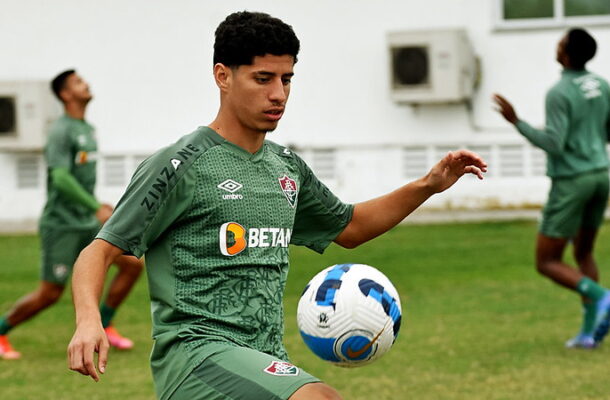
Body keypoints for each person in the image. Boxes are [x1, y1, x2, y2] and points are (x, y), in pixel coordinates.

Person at [67, 11, 486, 400]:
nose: (278, 93)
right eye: (263, 78)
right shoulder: (182, 164)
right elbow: (98, 251)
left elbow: (351, 227)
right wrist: (89, 319)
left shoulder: (285, 168)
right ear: (222, 76)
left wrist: (428, 185)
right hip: (197, 356)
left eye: (287, 79)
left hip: (265, 357)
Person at [0, 70, 144, 360]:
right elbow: (62, 178)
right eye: (78, 82)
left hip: (87, 223)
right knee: (50, 294)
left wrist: (95, 206)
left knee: (132, 266)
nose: (87, 84)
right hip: (62, 224)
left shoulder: (87, 130)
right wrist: (95, 206)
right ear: (65, 94)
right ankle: (2, 330)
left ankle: (103, 324)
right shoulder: (60, 131)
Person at [493, 28, 610, 349]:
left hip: (572, 181)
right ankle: (588, 334)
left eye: (560, 43)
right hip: (601, 174)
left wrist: (517, 121)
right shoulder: (600, 85)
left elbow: (554, 144)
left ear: (568, 53)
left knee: (546, 261)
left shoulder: (559, 92)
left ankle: (603, 298)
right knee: (584, 252)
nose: (556, 46)